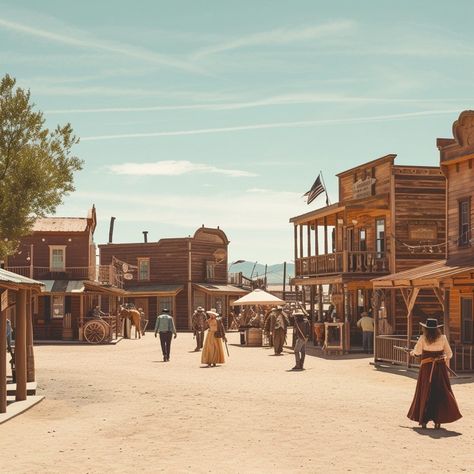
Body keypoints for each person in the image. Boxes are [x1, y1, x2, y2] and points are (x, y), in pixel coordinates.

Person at [407, 318, 462, 429]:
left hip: (427, 369)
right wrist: (442, 358)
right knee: (440, 392)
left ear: (426, 329)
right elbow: (449, 354)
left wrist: (412, 353)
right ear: (437, 329)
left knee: (425, 392)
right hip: (440, 368)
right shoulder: (443, 338)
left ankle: (424, 421)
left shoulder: (422, 338)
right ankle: (438, 422)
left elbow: (417, 352)